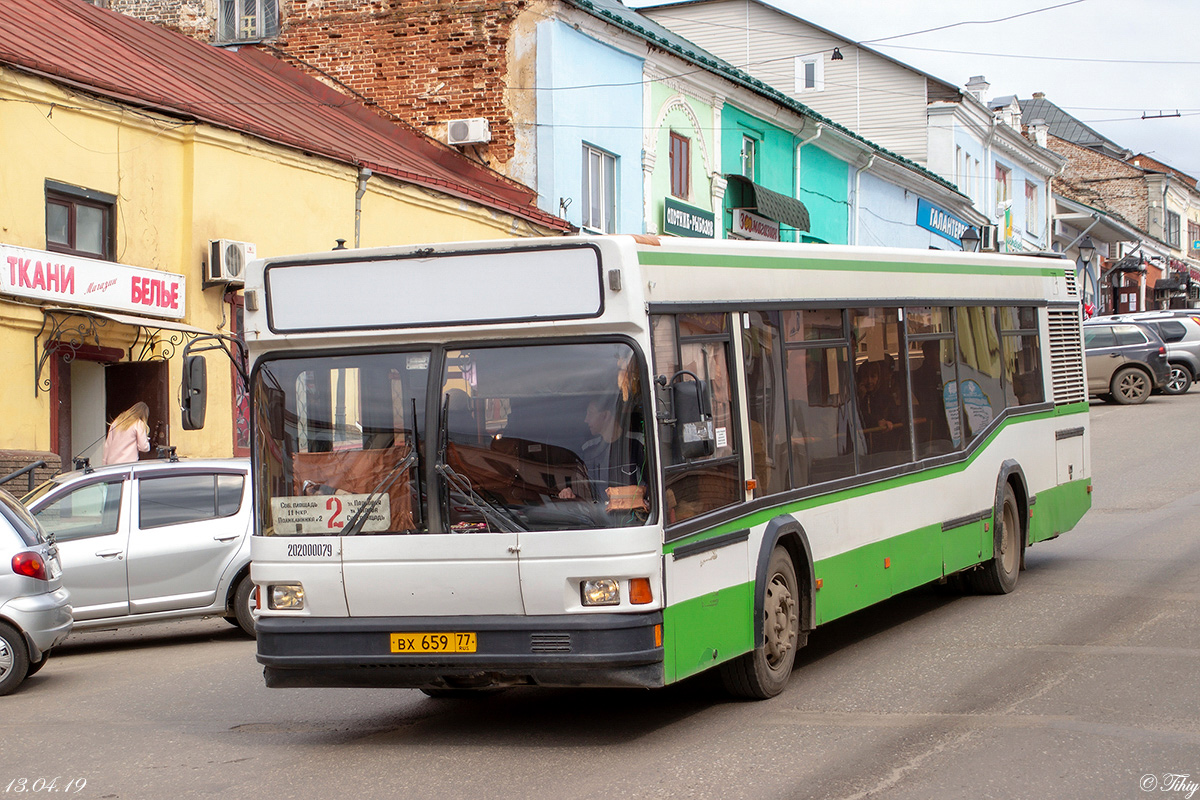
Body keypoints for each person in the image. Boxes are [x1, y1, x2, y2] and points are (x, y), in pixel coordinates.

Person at [558, 397, 645, 504]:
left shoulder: (638, 443)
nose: (586, 419)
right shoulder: (588, 449)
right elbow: (585, 490)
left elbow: (652, 487)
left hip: (631, 517)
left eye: (590, 413)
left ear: (605, 415)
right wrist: (571, 493)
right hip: (597, 517)